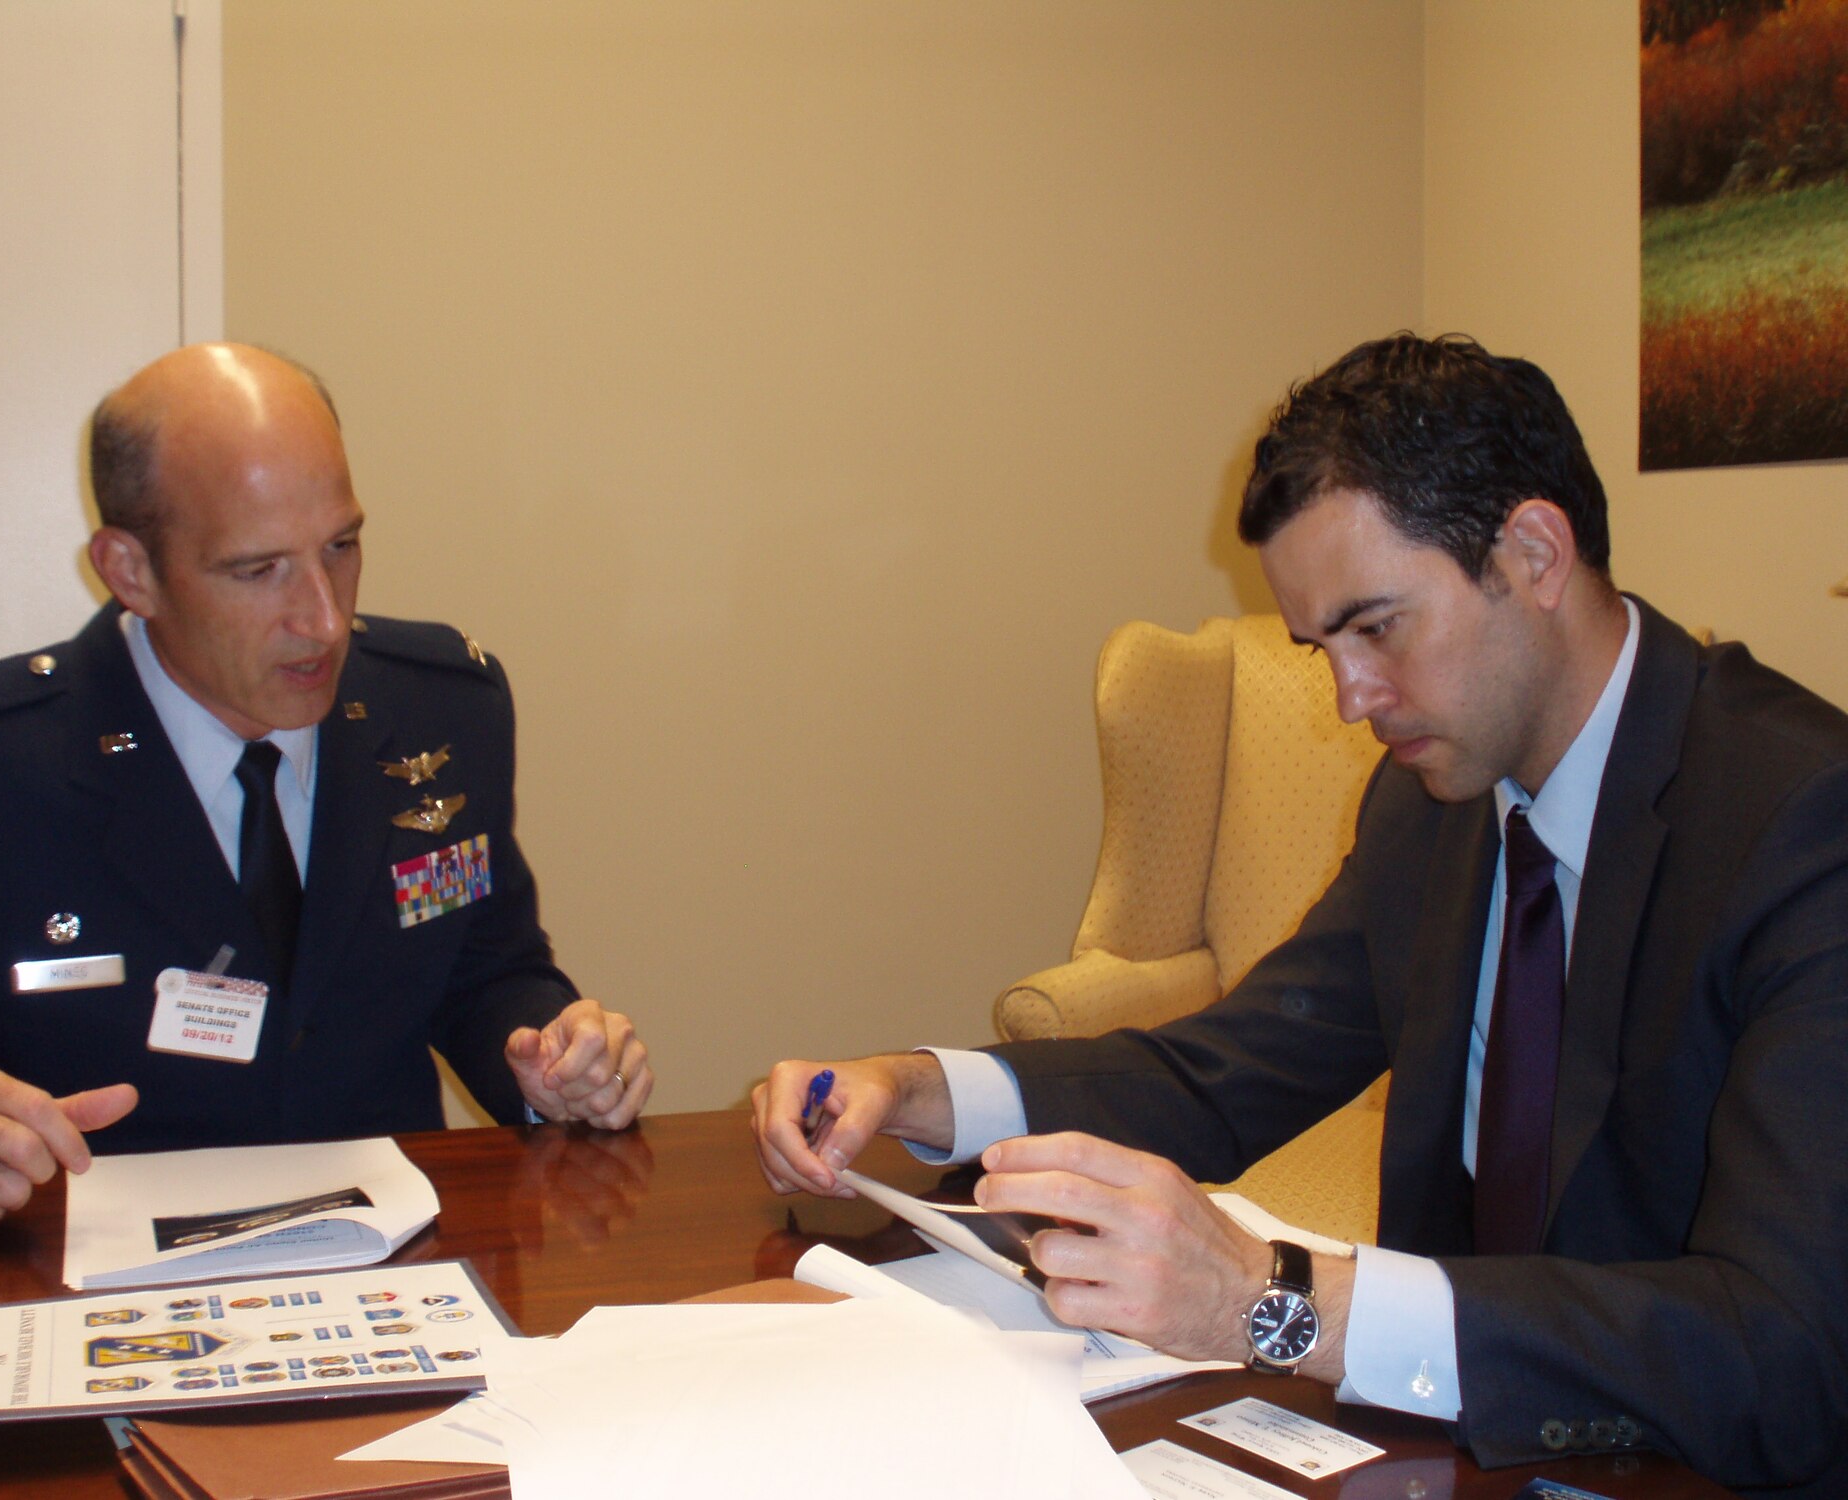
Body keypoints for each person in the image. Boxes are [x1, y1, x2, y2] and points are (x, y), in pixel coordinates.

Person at [752, 334, 1848, 1496]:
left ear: (1531, 551)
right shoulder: (1435, 800)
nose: (1348, 699)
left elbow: (1782, 1355)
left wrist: (1274, 1300)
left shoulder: (1801, 825)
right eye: (1320, 646)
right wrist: (923, 1089)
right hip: (1451, 1453)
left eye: (1375, 628)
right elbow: (1229, 1071)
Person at [0, 343, 653, 1233]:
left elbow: (486, 968)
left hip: (401, 1279)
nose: (323, 616)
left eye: (341, 547)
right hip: (89, 1301)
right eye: (257, 569)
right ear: (129, 571)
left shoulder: (438, 709)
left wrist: (551, 1055)